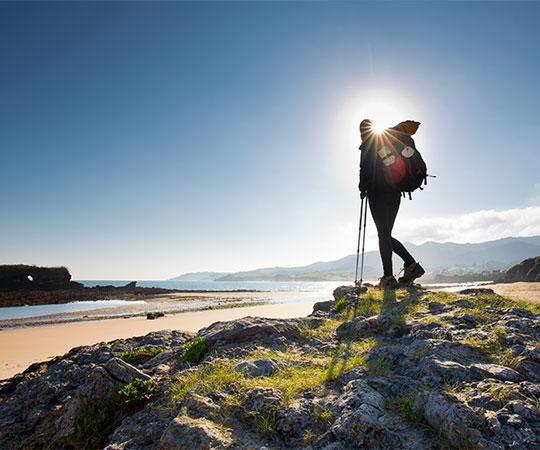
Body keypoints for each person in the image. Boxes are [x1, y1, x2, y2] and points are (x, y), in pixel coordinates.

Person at [358, 119, 425, 289]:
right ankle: (412, 266)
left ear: (363, 131)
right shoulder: (388, 140)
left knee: (383, 234)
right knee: (386, 234)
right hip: (395, 192)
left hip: (378, 191)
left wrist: (362, 187)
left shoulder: (368, 143)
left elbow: (365, 169)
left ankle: (388, 277)